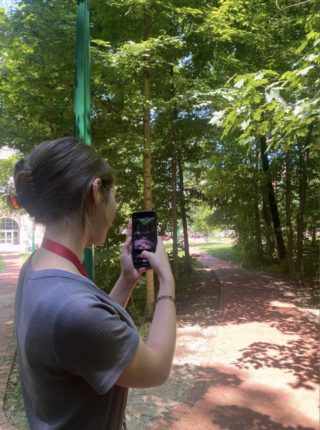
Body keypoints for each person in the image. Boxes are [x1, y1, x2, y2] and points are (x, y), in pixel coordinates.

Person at [12, 137, 176, 430]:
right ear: (96, 191)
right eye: (114, 195)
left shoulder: (36, 267)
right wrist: (167, 283)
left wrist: (126, 281)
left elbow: (85, 340)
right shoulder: (73, 308)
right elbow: (156, 369)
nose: (115, 208)